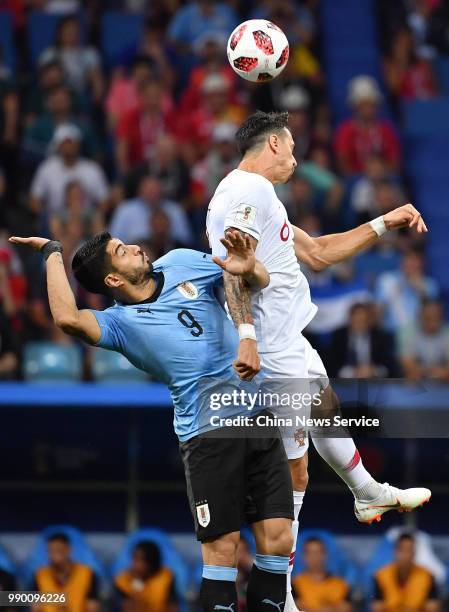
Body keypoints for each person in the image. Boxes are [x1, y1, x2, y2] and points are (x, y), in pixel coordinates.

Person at [206, 110, 431, 612]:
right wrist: (246, 336)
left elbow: (320, 253)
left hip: (288, 335)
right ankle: (281, 596)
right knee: (295, 473)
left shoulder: (265, 199)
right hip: (270, 347)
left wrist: (385, 221)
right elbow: (232, 268)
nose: (296, 157)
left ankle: (367, 491)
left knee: (326, 406)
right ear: (273, 147)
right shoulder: (245, 194)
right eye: (291, 147)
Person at [10, 230, 295, 612]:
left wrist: (252, 270)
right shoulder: (119, 325)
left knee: (278, 541)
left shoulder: (179, 261)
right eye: (121, 252)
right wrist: (51, 251)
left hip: (258, 418)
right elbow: (66, 317)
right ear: (113, 279)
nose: (135, 248)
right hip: (207, 435)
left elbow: (245, 277)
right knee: (223, 551)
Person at [29, 123, 109, 219]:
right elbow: (34, 200)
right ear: (58, 145)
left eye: (71, 142)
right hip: (55, 222)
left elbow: (105, 201)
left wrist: (91, 219)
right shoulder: (46, 168)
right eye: (64, 142)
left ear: (78, 144)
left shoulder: (92, 169)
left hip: (86, 221)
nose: (68, 146)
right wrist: (47, 219)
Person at [334, 76, 401, 175]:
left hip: (383, 180)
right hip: (356, 181)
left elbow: (395, 161)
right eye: (364, 105)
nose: (368, 109)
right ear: (355, 106)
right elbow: (342, 162)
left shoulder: (385, 130)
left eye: (371, 104)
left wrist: (380, 175)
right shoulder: (346, 130)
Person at [31, 532, 100, 612]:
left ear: (68, 550)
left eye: (58, 551)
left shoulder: (87, 574)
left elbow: (92, 608)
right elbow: (35, 608)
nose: (54, 556)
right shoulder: (40, 576)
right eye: (51, 552)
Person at [375, 247, 439, 333]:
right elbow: (378, 311)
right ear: (402, 261)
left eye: (415, 260)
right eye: (408, 259)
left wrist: (419, 289)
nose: (411, 264)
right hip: (390, 332)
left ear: (422, 263)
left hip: (418, 335)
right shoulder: (386, 280)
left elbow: (433, 315)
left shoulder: (430, 284)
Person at [327, 302, 398, 378]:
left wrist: (374, 371)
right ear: (350, 319)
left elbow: (390, 367)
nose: (361, 323)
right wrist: (353, 372)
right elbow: (331, 366)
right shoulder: (339, 336)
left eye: (364, 319)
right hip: (345, 383)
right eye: (358, 319)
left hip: (374, 382)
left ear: (370, 320)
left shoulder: (380, 337)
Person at [372, 533, 441, 612]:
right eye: (402, 550)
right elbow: (377, 607)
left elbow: (433, 607)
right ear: (395, 551)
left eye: (409, 550)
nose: (406, 555)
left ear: (414, 553)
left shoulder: (427, 576)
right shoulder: (381, 575)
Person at [114, 541, 179, 612]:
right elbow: (127, 609)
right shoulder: (123, 580)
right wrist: (136, 584)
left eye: (140, 560)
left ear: (151, 562)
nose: (135, 565)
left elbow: (173, 607)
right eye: (134, 559)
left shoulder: (166, 578)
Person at [292, 537, 352, 612]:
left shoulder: (340, 584)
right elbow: (296, 608)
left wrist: (311, 609)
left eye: (317, 552)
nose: (314, 557)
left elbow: (346, 608)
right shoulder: (295, 584)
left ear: (325, 555)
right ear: (303, 556)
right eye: (309, 553)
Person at [399, 299, 449, 381]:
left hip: (443, 383)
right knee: (410, 377)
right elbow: (407, 363)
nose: (432, 322)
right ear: (420, 316)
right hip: (418, 382)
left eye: (436, 317)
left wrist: (442, 372)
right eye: (428, 318)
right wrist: (430, 372)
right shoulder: (407, 333)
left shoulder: (447, 333)